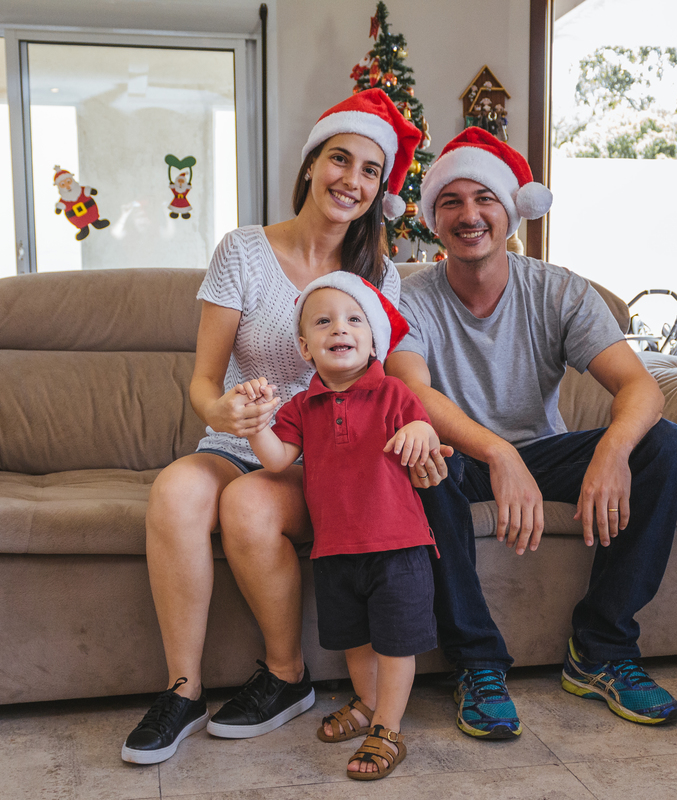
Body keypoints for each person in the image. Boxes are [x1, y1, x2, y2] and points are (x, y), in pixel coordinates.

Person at [121, 89, 432, 765]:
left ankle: (287, 676)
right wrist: (220, 411)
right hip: (240, 439)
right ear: (311, 163)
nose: (351, 180)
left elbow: (389, 381)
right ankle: (181, 692)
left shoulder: (377, 275)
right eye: (340, 159)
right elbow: (205, 380)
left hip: (328, 455)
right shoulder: (242, 250)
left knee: (249, 504)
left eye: (370, 171)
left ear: (380, 190)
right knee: (175, 491)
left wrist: (427, 428)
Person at [385, 127, 677, 735]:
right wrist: (499, 454)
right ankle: (476, 664)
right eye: (451, 202)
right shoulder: (406, 298)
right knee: (419, 462)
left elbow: (641, 387)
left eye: (485, 199)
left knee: (666, 444)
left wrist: (613, 450)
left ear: (512, 211)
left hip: (545, 452)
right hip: (460, 457)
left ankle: (601, 651)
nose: (469, 215)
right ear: (433, 220)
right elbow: (412, 394)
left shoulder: (559, 291)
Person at [243, 272, 441, 780]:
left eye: (354, 320)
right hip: (334, 549)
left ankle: (389, 728)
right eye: (323, 322)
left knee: (394, 644)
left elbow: (422, 427)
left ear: (373, 342)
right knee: (356, 641)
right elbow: (276, 460)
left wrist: (420, 430)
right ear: (305, 348)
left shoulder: (394, 392)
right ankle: (367, 704)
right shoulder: (300, 406)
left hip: (397, 547)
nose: (339, 328)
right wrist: (257, 423)